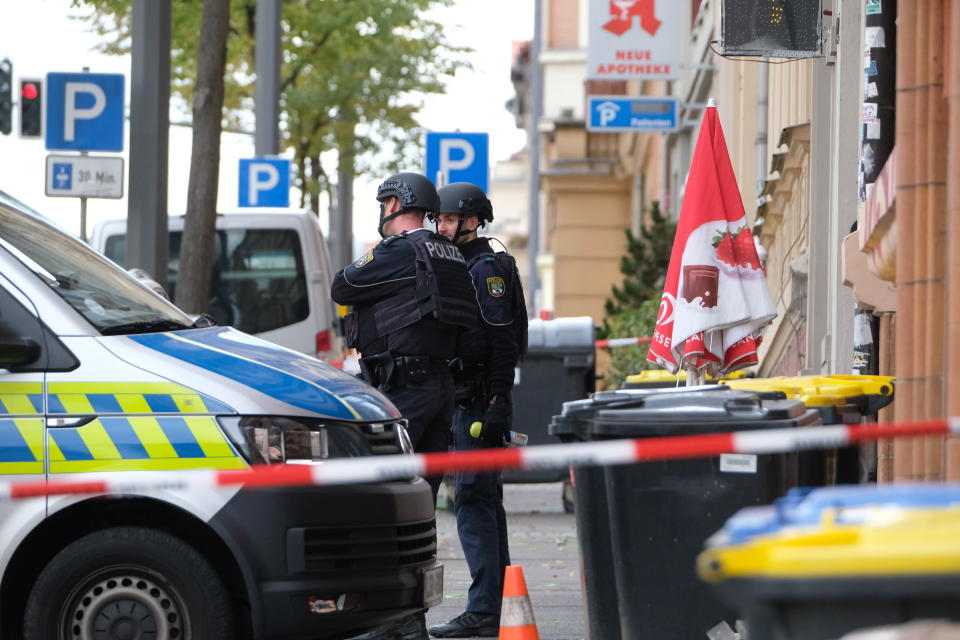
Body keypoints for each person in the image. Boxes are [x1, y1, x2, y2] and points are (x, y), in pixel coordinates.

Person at [332, 172, 477, 640]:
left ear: (397, 203)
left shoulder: (400, 251)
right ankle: (408, 617)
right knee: (420, 508)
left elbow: (343, 286)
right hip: (439, 390)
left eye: (385, 202)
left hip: (403, 393)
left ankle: (395, 620)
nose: (382, 211)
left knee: (387, 506)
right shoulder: (449, 252)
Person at [427, 182, 527, 639]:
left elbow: (503, 342)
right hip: (466, 397)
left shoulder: (485, 267)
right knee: (482, 499)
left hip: (479, 401)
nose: (441, 227)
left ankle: (484, 610)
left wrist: (498, 401)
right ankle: (499, 606)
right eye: (439, 220)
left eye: (447, 220)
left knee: (471, 498)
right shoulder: (462, 262)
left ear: (471, 221)